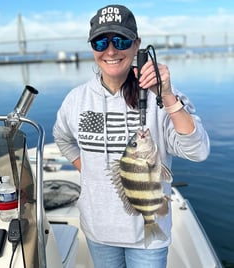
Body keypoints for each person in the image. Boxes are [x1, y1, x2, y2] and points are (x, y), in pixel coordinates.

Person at [53, 4, 210, 268]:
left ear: (137, 45)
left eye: (121, 40)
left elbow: (198, 151)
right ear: (92, 48)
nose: (111, 50)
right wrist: (86, 170)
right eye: (101, 41)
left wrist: (167, 95)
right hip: (98, 230)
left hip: (148, 238)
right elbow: (62, 138)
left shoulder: (161, 96)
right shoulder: (76, 100)